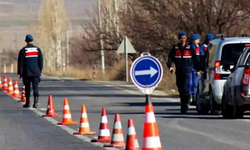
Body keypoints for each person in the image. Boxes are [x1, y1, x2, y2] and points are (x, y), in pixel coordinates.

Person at [167, 32, 201, 114]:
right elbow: (170, 58)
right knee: (180, 87)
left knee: (186, 87)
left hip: (187, 70)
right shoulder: (175, 48)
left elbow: (196, 59)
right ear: (179, 39)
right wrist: (170, 66)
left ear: (186, 38)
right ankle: (184, 101)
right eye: (181, 38)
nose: (183, 39)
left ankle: (185, 104)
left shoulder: (189, 47)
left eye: (184, 37)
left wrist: (198, 69)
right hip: (179, 70)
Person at [17, 34, 43, 108]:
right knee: (36, 87)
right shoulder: (37, 49)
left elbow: (20, 63)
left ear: (26, 41)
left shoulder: (23, 50)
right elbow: (41, 61)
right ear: (32, 40)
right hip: (36, 72)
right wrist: (39, 70)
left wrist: (19, 72)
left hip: (27, 72)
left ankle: (28, 103)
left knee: (27, 88)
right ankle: (36, 102)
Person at [190, 34, 201, 105]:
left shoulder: (197, 47)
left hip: (193, 68)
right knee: (193, 83)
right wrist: (198, 69)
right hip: (193, 67)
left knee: (193, 83)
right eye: (197, 40)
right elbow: (197, 59)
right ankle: (193, 98)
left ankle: (193, 97)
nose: (198, 41)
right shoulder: (193, 48)